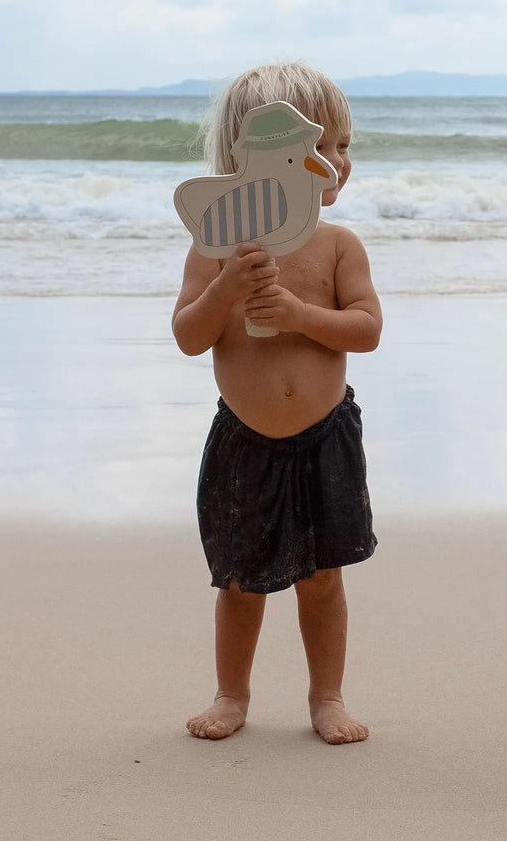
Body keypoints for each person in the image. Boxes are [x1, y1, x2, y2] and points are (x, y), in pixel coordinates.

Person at [172, 62, 382, 745]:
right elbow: (189, 336)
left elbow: (367, 330)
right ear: (247, 159)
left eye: (344, 145)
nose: (335, 160)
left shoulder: (338, 246)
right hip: (246, 438)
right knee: (240, 581)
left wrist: (298, 316)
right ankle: (231, 694)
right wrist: (225, 290)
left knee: (321, 579)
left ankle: (328, 697)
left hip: (324, 435)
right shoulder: (217, 247)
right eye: (320, 145)